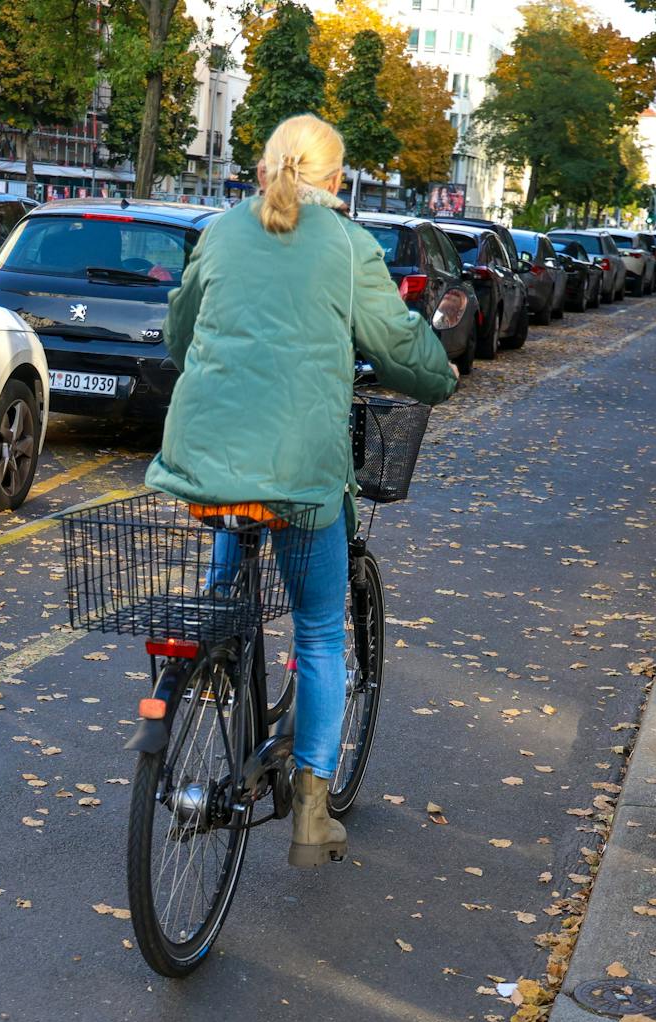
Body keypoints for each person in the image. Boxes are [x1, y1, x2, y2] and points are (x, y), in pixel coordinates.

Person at [144, 114, 458, 868]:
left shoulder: (220, 230)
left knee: (230, 590)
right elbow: (394, 342)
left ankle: (216, 666)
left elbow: (179, 335)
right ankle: (312, 815)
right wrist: (438, 377)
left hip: (205, 458)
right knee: (318, 632)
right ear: (336, 181)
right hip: (299, 475)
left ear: (263, 168)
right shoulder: (349, 246)